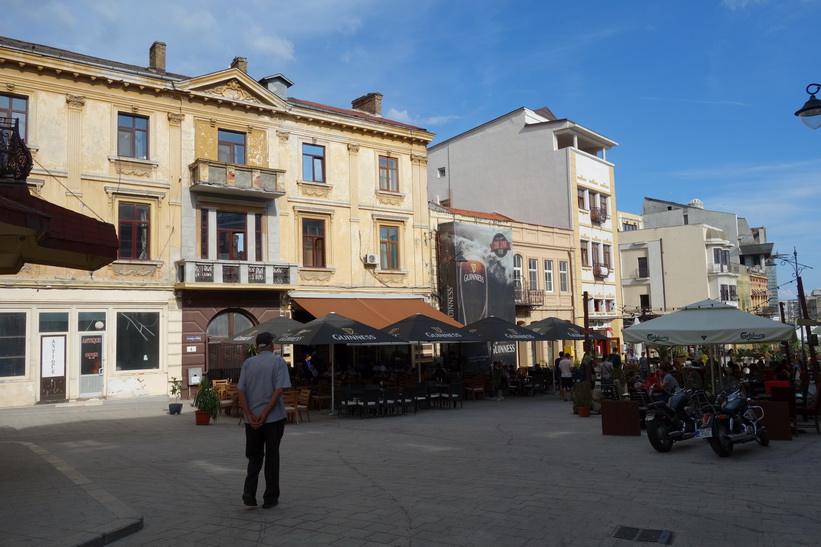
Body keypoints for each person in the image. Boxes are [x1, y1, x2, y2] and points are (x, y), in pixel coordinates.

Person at [237, 332, 291, 509]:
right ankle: (270, 497)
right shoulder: (278, 362)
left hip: (250, 419)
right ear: (271, 345)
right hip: (273, 418)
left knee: (254, 456)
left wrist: (249, 414)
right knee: (272, 457)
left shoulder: (248, 363)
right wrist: (265, 414)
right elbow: (278, 391)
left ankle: (249, 491)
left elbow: (240, 391)